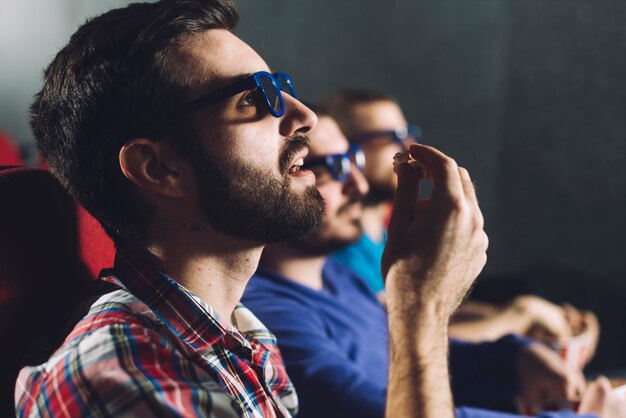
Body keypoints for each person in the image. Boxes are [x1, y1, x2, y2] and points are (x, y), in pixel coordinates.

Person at [12, 1, 618, 417]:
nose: (303, 117)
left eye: (285, 87)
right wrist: (420, 308)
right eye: (256, 99)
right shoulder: (124, 374)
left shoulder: (243, 337)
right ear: (159, 169)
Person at [243, 110, 621, 418]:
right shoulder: (268, 316)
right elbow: (384, 410)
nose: (358, 185)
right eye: (329, 168)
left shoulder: (336, 276)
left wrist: (513, 358)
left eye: (353, 161)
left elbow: (406, 360)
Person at [322, 89, 600, 352]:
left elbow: (417, 308)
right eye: (389, 137)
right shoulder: (334, 250)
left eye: (407, 133)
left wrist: (527, 312)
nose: (408, 146)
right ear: (348, 152)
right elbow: (390, 341)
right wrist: (514, 318)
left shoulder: (388, 226)